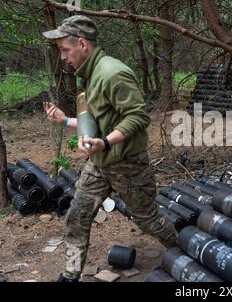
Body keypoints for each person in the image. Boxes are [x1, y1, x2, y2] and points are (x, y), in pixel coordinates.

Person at [42, 15, 178, 282]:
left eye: (64, 49)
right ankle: (70, 276)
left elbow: (138, 117)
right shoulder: (91, 74)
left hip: (128, 163)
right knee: (77, 215)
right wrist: (66, 120)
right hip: (101, 162)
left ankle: (189, 251)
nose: (62, 57)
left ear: (82, 44)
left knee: (147, 220)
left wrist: (105, 142)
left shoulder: (112, 72)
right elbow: (97, 117)